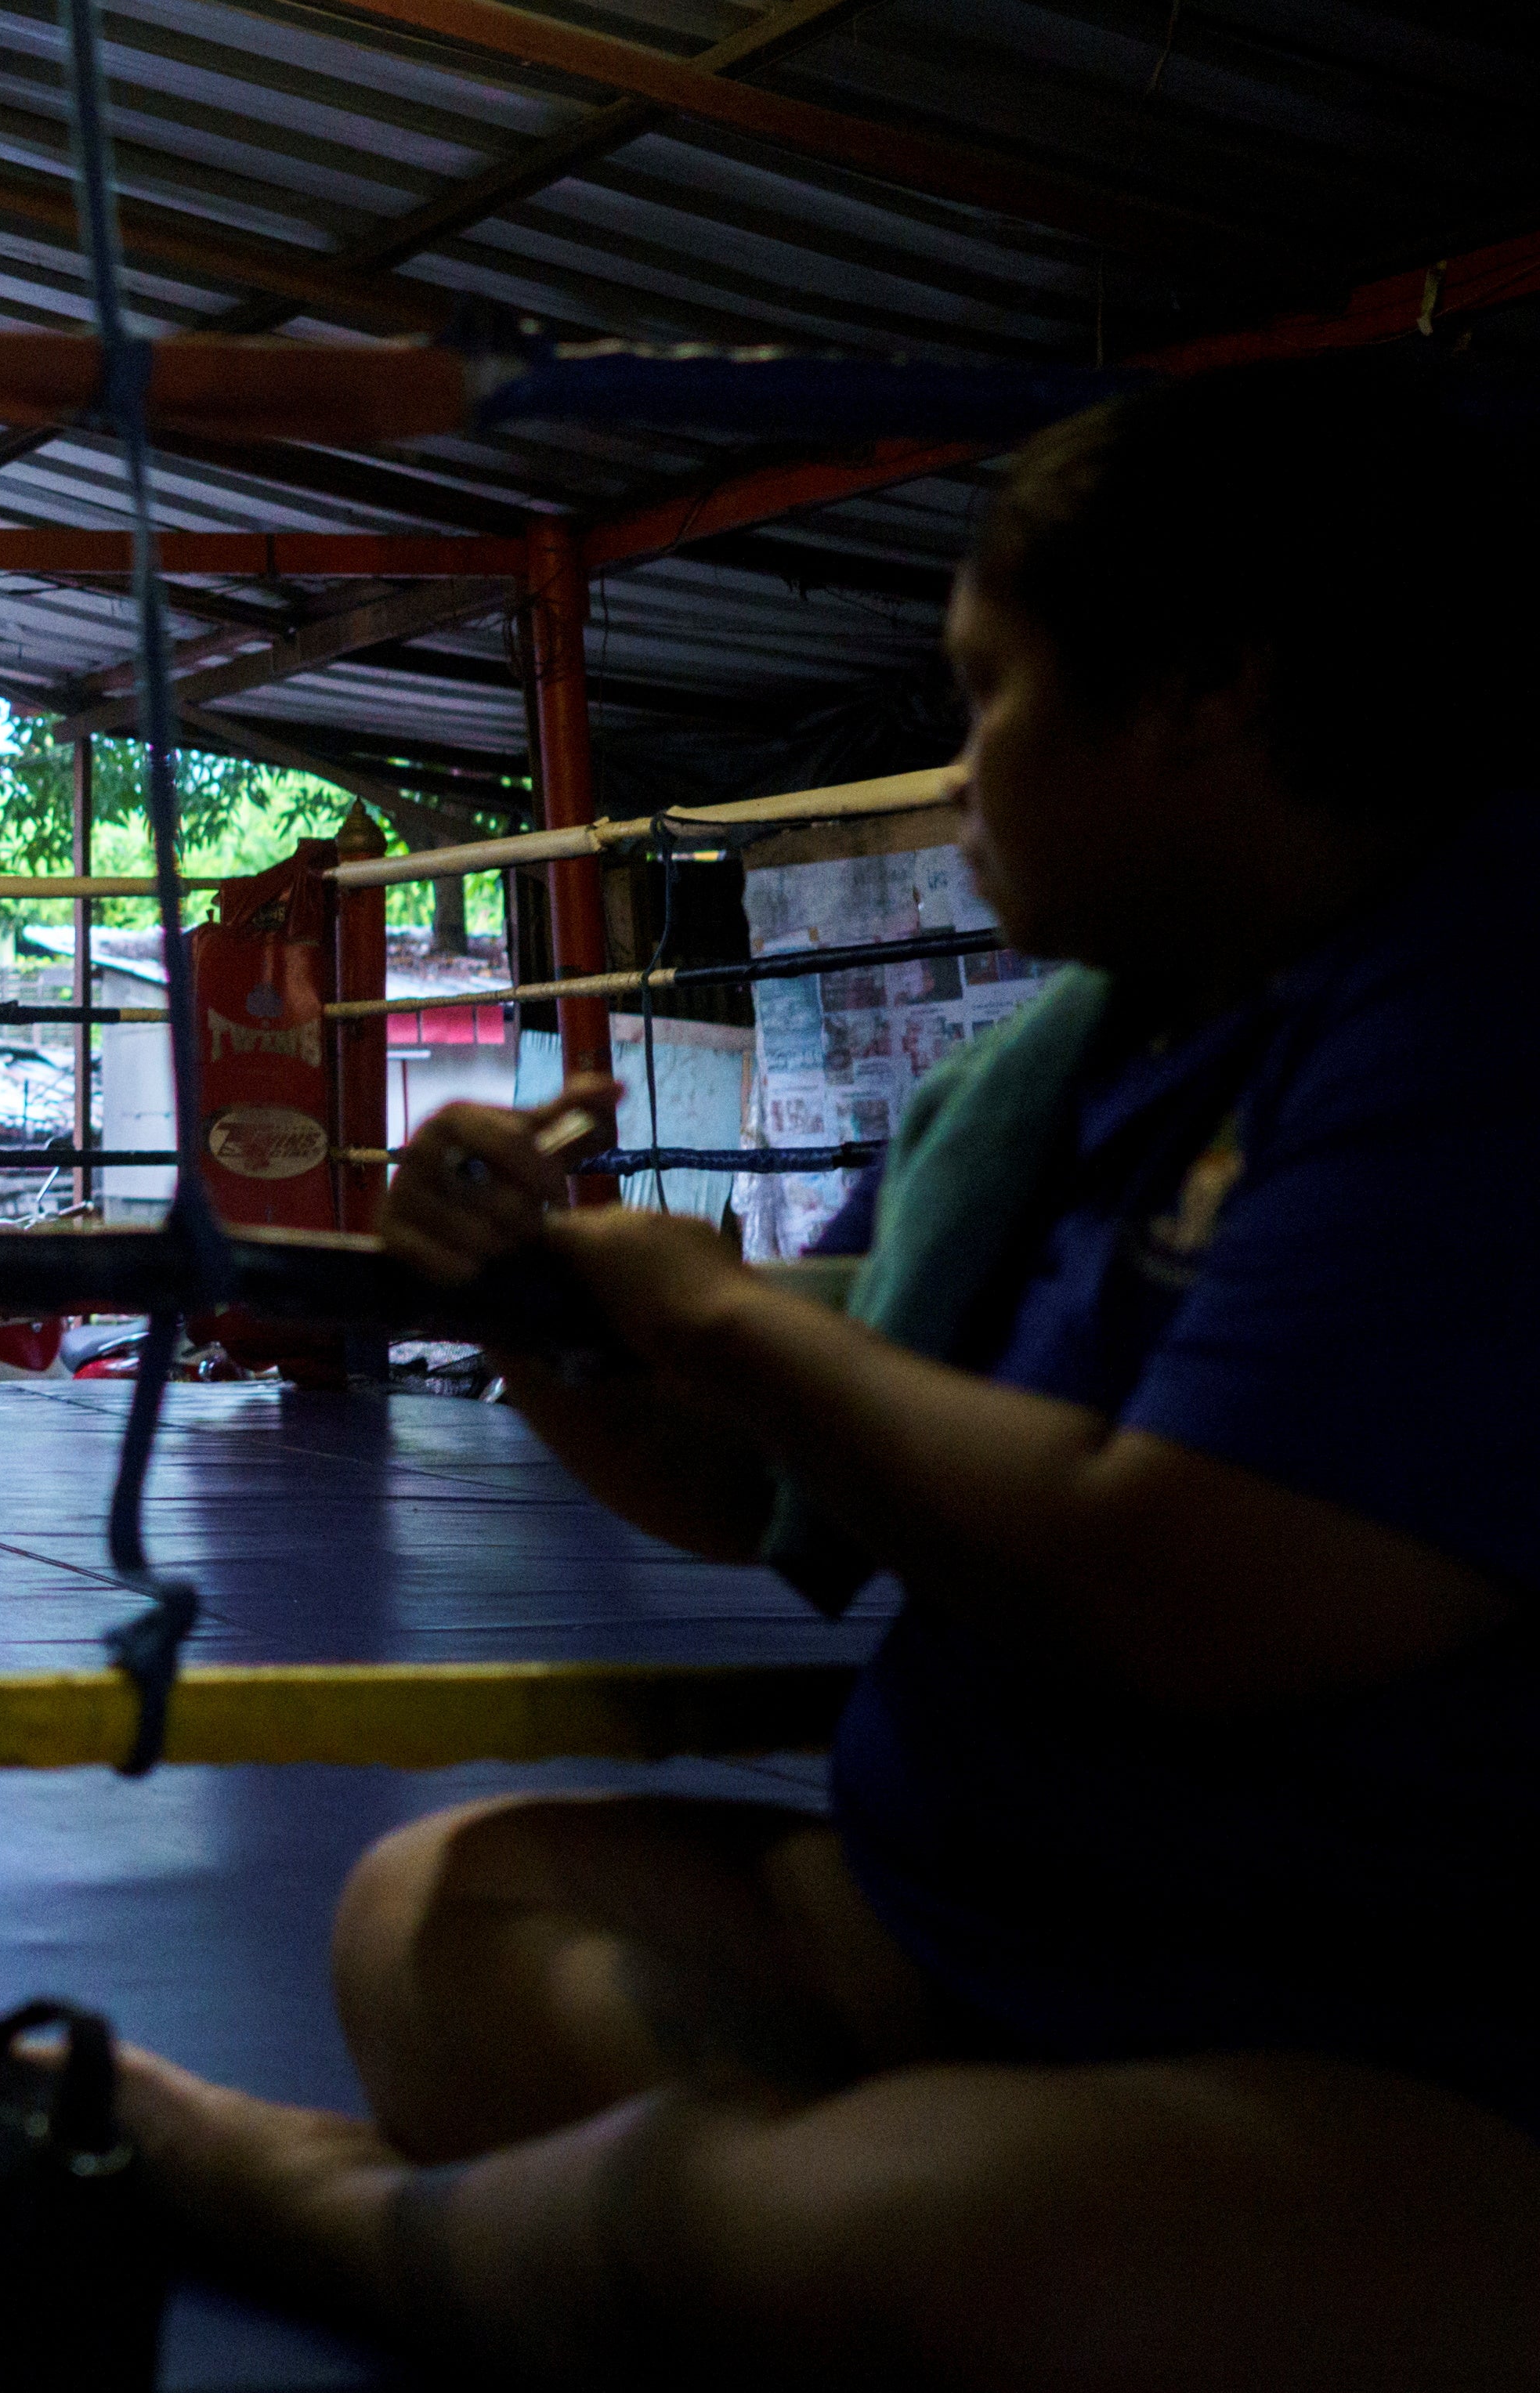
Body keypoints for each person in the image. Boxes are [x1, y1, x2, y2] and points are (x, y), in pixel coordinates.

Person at [99, 367, 1540, 2389]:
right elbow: (775, 1483)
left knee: (964, 2253)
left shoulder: (1473, 1014)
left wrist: (716, 1315)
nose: (957, 775)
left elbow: (1196, 1592)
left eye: (988, 695)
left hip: (1371, 2036)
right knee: (435, 1913)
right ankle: (690, 2235)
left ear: (1207, 691)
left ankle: (303, 2203)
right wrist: (547, 1316)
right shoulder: (1064, 1071)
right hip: (964, 1934)